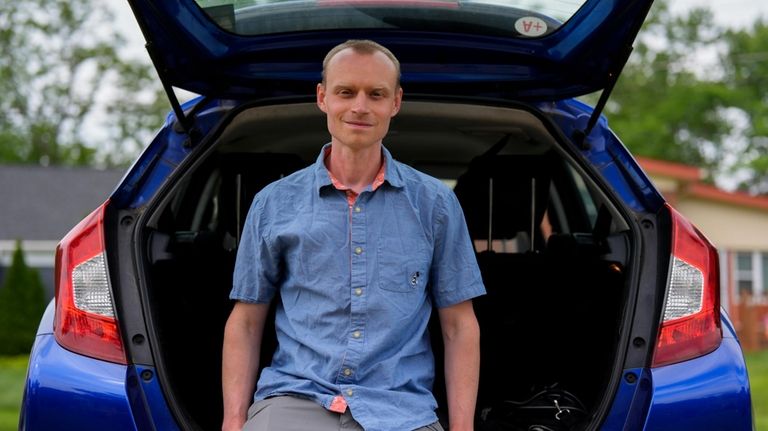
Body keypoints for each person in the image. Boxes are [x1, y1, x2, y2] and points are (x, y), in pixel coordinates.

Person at [222, 39, 485, 431]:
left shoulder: (435, 206)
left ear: (395, 102)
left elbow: (459, 325)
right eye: (346, 92)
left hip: (401, 409)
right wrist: (233, 421)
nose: (360, 106)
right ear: (322, 97)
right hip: (296, 398)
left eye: (375, 94)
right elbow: (245, 321)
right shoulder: (273, 204)